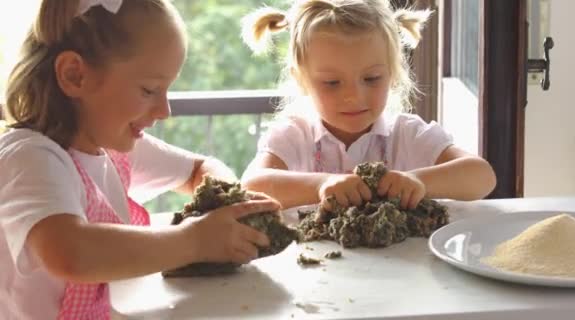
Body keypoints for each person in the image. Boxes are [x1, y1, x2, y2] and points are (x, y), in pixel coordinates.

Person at [0, 0, 278, 319]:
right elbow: (71, 252)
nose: (165, 111)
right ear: (75, 75)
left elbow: (199, 169)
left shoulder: (114, 147)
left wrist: (229, 202)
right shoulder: (29, 156)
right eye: (149, 90)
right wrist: (195, 241)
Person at [241, 0, 496, 211]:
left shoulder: (407, 134)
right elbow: (251, 186)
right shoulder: (294, 136)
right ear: (302, 80)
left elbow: (482, 177)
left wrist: (418, 181)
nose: (353, 96)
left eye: (371, 79)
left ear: (393, 73)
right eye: (332, 83)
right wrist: (321, 185)